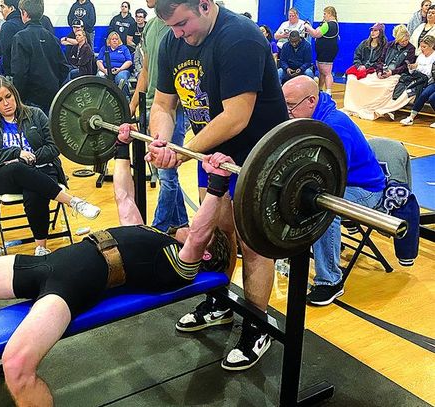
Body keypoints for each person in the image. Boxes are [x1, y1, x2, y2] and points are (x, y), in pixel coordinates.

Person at [0, 124, 233, 405]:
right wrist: (121, 146)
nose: (188, 225)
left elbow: (199, 234)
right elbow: (123, 197)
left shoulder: (180, 267)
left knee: (18, 367)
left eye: (198, 235)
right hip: (47, 263)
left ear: (205, 255)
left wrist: (216, 184)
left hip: (69, 287)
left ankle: (11, 373)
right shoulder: (153, 234)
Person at [145, 0, 289, 371]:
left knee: (253, 245)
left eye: (183, 23)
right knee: (217, 238)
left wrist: (185, 151)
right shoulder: (172, 40)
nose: (177, 33)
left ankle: (258, 324)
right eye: (172, 27)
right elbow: (163, 104)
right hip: (212, 155)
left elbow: (237, 117)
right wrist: (163, 140)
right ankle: (221, 303)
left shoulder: (239, 37)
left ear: (205, 5)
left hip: (257, 159)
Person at [282, 75, 386, 305]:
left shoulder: (334, 126)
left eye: (290, 106)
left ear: (311, 101)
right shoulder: (309, 118)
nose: (286, 111)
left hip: (365, 189)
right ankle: (298, 253)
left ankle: (330, 281)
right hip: (340, 183)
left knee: (323, 209)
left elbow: (333, 177)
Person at [0, 76, 100, 256]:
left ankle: (41, 247)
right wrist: (15, 154)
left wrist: (28, 159)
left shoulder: (35, 114)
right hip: (4, 176)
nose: (6, 103)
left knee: (34, 190)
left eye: (8, 96)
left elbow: (54, 146)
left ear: (15, 95)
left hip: (41, 169)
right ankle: (73, 202)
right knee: (17, 169)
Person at [129, 0, 189, 234]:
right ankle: (182, 222)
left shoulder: (178, 26)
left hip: (172, 110)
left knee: (166, 175)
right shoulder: (150, 27)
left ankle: (158, 228)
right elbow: (145, 71)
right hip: (151, 108)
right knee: (163, 171)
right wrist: (132, 104)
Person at [341, 25, 416, 120]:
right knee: (365, 82)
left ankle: (385, 108)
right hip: (384, 71)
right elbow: (380, 60)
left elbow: (405, 66)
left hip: (396, 74)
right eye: (402, 40)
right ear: (397, 39)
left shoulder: (411, 48)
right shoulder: (389, 45)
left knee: (387, 86)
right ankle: (361, 104)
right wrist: (379, 71)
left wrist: (392, 72)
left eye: (406, 40)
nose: (404, 42)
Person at [11, 0, 70, 114]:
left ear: (24, 13)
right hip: (52, 98)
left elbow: (19, 73)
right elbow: (64, 67)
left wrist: (18, 98)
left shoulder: (20, 38)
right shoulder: (52, 38)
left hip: (30, 100)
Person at [399, 35, 435, 126]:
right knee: (423, 94)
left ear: (431, 46)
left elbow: (430, 72)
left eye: (424, 47)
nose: (422, 49)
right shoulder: (420, 56)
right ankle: (411, 117)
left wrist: (418, 67)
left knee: (431, 98)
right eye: (421, 46)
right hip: (427, 81)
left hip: (430, 80)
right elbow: (415, 72)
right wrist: (411, 68)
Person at [304, 6, 339, 96]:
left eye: (324, 14)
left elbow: (316, 34)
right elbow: (315, 32)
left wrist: (307, 26)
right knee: (322, 73)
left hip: (327, 52)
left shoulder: (328, 24)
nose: (323, 16)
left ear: (330, 14)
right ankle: (320, 90)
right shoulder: (331, 24)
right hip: (323, 52)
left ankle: (328, 91)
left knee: (327, 73)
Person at [96, 31, 132, 98]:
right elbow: (99, 61)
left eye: (116, 39)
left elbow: (129, 61)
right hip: (106, 70)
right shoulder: (104, 49)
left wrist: (120, 69)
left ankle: (124, 98)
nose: (115, 41)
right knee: (100, 77)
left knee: (121, 78)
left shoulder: (124, 48)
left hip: (121, 70)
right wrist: (104, 70)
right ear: (109, 41)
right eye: (113, 39)